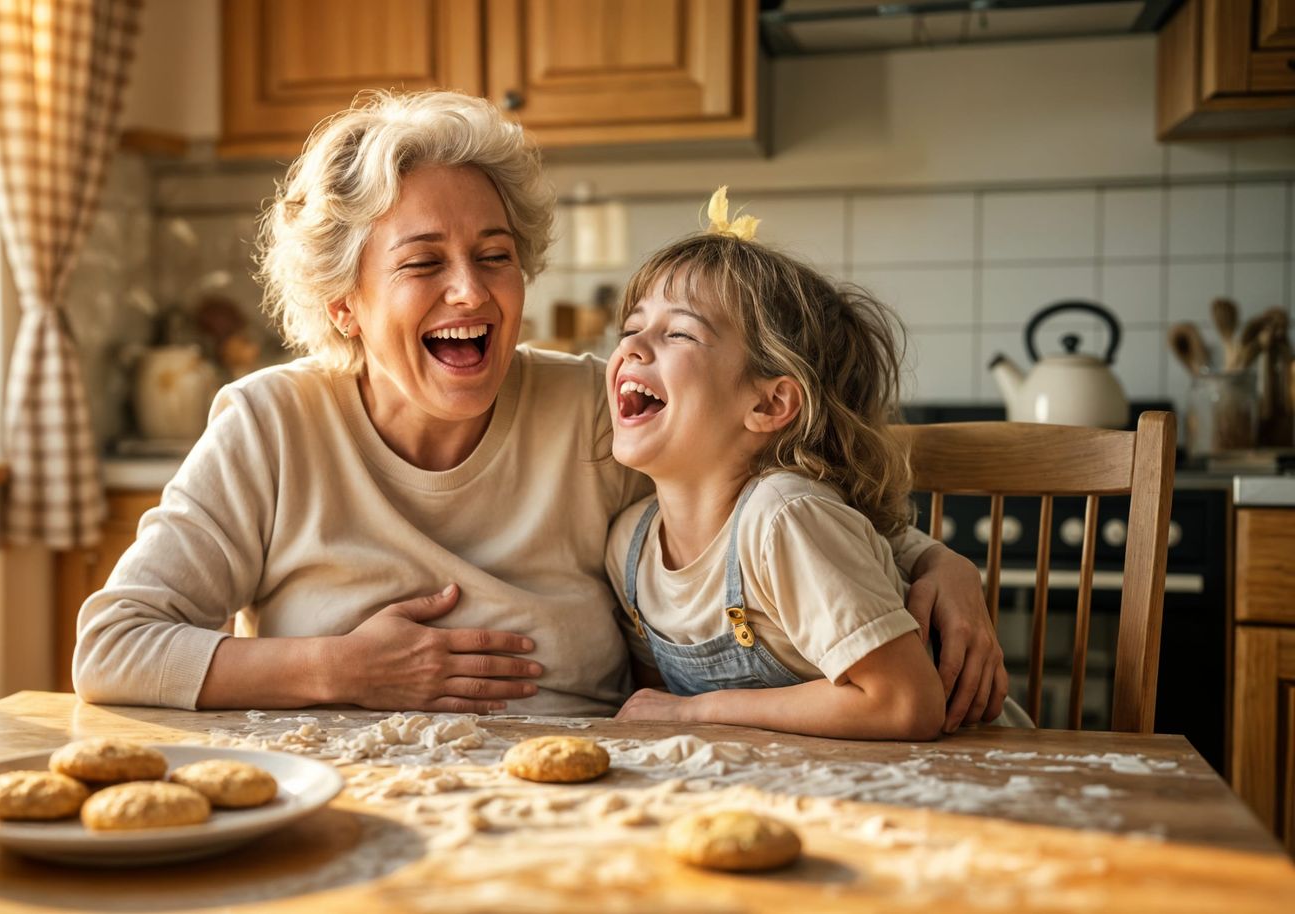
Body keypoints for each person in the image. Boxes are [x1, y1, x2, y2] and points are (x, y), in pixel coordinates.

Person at [73, 91, 1007, 731]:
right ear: (343, 305)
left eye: (494, 254)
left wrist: (933, 558)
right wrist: (339, 670)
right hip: (342, 811)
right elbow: (113, 649)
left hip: (591, 800)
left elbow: (762, 491)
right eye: (422, 261)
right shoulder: (269, 426)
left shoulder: (591, 404)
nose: (471, 293)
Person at [608, 190, 946, 738]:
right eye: (630, 328)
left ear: (768, 404)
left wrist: (695, 710)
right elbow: (655, 712)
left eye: (679, 333)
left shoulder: (784, 516)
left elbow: (905, 702)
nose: (632, 348)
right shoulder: (630, 545)